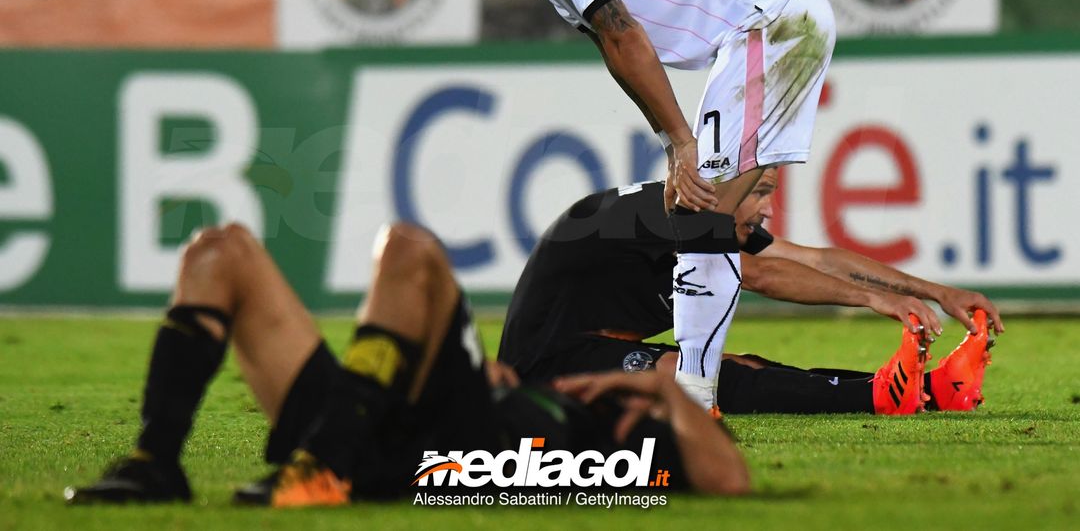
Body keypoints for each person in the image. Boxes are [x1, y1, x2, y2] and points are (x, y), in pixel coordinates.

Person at [427, 0, 836, 411]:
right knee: (700, 218)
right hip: (762, 28)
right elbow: (614, 45)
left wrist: (680, 143)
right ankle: (697, 391)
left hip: (773, 23)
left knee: (702, 216)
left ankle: (695, 395)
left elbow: (625, 35)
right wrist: (675, 141)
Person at [65, 222, 749, 507]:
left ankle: (326, 466)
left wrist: (662, 397)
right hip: (371, 414)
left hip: (443, 438)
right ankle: (157, 463)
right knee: (220, 252)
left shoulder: (629, 441)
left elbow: (731, 479)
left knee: (411, 251)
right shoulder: (565, 400)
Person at [497, 168, 1001, 415]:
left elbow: (811, 258)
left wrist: (938, 292)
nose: (766, 209)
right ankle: (877, 397)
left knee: (739, 366)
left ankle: (931, 391)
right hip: (543, 373)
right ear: (724, 187)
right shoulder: (672, 214)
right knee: (696, 377)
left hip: (601, 347)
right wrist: (876, 300)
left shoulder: (701, 208)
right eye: (760, 193)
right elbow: (759, 275)